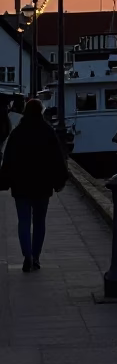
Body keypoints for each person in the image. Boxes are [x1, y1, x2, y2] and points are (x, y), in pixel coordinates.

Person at [0, 99, 68, 272]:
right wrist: (59, 181)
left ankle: (27, 255)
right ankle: (36, 257)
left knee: (23, 221)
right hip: (42, 184)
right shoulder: (48, 132)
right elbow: (58, 159)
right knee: (39, 222)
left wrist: (5, 180)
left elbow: (8, 160)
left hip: (20, 184)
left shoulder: (17, 133)